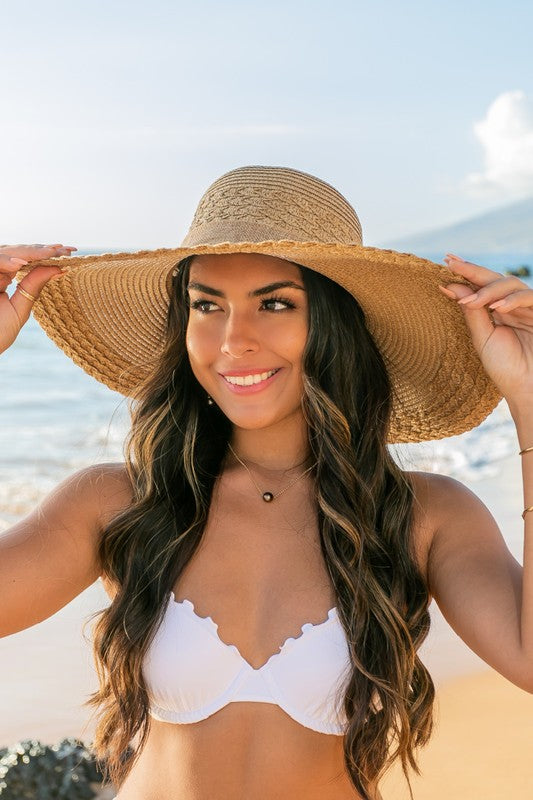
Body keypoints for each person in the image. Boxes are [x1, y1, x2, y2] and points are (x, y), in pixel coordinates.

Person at [1, 165, 531, 800]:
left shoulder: (425, 515)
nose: (233, 341)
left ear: (336, 323)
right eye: (206, 305)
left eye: (275, 303)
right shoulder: (119, 502)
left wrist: (529, 396)